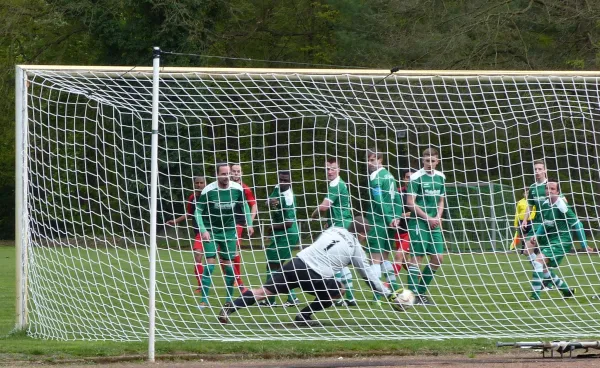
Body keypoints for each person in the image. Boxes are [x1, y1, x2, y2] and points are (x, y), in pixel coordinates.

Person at [218, 217, 406, 327]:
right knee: (338, 290)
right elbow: (369, 277)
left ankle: (230, 307)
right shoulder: (357, 248)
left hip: (297, 262)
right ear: (363, 234)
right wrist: (389, 294)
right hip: (315, 274)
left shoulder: (334, 229)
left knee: (263, 292)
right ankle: (304, 316)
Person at [194, 163, 254, 308]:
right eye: (223, 174)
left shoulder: (237, 189)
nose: (226, 176)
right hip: (212, 230)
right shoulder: (209, 190)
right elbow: (198, 211)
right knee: (209, 266)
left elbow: (245, 205)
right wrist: (203, 229)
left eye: (228, 174)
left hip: (229, 231)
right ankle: (204, 300)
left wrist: (249, 222)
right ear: (217, 175)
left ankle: (228, 300)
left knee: (229, 267)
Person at [525, 178, 593, 300]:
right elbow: (544, 224)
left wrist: (584, 245)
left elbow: (578, 224)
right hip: (551, 239)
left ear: (557, 192)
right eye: (547, 188)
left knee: (538, 261)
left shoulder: (562, 205)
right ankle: (566, 291)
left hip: (563, 239)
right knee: (543, 268)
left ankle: (535, 297)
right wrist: (536, 235)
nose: (549, 191)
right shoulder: (545, 204)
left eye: (552, 189)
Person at [311, 157, 356, 307]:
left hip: (341, 226)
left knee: (333, 261)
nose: (330, 171)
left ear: (339, 170)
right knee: (336, 261)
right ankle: (346, 296)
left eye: (333, 168)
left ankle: (344, 295)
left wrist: (314, 212)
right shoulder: (337, 183)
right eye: (327, 169)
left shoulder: (336, 183)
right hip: (339, 224)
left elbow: (324, 206)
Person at [406, 147, 446, 306]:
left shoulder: (441, 177)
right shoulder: (416, 178)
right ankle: (412, 295)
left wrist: (437, 217)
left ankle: (420, 292)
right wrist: (427, 217)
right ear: (422, 161)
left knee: (438, 258)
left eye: (433, 161)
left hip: (434, 222)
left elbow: (441, 201)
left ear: (438, 161)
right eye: (426, 161)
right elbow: (410, 203)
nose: (430, 163)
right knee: (418, 257)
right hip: (419, 222)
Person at [366, 149, 404, 304]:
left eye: (373, 159)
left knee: (375, 259)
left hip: (378, 221)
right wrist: (397, 217)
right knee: (385, 258)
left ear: (380, 160)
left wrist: (389, 218)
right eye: (368, 160)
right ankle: (394, 291)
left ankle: (377, 296)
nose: (370, 163)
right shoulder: (391, 175)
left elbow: (378, 200)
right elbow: (397, 199)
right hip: (390, 221)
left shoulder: (375, 176)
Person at [261, 170, 300, 307]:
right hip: (281, 232)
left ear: (290, 181)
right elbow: (269, 202)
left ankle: (270, 300)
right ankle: (290, 298)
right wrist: (270, 202)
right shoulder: (277, 188)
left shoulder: (289, 198)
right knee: (277, 266)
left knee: (273, 264)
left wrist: (272, 228)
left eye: (285, 180)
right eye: (281, 179)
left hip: (288, 233)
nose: (283, 182)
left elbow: (289, 223)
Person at [166, 176, 206, 293]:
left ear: (205, 183)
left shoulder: (210, 196)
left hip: (214, 231)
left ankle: (235, 280)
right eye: (197, 183)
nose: (199, 185)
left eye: (201, 183)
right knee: (198, 256)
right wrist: (175, 221)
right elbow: (189, 213)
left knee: (224, 258)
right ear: (194, 184)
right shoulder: (192, 198)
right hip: (199, 233)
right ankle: (201, 286)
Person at [230, 164, 258, 293]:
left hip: (238, 223)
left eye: (238, 171)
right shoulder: (225, 186)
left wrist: (250, 222)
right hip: (223, 222)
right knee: (223, 253)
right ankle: (233, 278)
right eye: (234, 171)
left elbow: (253, 205)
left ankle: (239, 282)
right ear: (230, 173)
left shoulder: (245, 188)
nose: (236, 173)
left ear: (241, 173)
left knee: (232, 250)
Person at [521, 160, 547, 257]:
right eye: (535, 169)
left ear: (545, 171)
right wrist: (524, 220)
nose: (537, 171)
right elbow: (530, 205)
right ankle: (546, 272)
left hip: (550, 223)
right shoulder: (532, 187)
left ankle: (543, 272)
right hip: (537, 223)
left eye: (540, 169)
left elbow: (563, 201)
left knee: (545, 255)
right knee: (526, 251)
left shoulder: (550, 185)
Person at [392, 169, 415, 275]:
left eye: (412, 177)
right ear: (403, 179)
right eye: (407, 177)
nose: (410, 180)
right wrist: (403, 215)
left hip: (413, 230)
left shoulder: (419, 194)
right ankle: (419, 278)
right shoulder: (397, 193)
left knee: (398, 255)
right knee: (404, 261)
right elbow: (391, 212)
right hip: (400, 230)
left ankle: (388, 285)